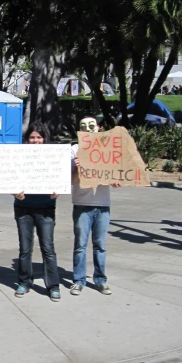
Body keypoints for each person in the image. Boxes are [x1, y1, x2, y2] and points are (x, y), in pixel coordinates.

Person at [69, 121, 122, 296]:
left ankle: (100, 280)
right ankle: (78, 280)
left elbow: (116, 181)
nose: (89, 130)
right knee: (80, 246)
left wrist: (116, 179)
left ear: (99, 128)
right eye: (84, 126)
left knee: (100, 245)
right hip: (82, 204)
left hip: (103, 205)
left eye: (92, 126)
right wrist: (76, 167)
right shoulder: (74, 150)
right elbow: (69, 181)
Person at [11, 122, 61, 301]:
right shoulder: (17, 156)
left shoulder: (53, 157)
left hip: (46, 208)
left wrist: (58, 190)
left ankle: (53, 286)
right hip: (23, 208)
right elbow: (9, 178)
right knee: (25, 249)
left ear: (45, 139)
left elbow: (60, 179)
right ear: (26, 140)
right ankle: (24, 282)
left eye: (39, 137)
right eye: (32, 137)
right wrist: (14, 191)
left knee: (48, 248)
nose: (36, 141)